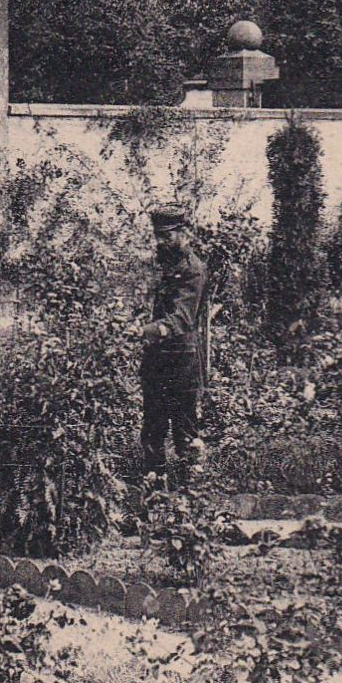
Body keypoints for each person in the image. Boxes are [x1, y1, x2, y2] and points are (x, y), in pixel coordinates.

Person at [138, 204, 210, 481]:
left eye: (167, 235)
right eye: (158, 235)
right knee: (153, 423)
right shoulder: (165, 266)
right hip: (157, 358)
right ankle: (153, 481)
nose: (161, 242)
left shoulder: (193, 270)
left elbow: (181, 319)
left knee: (185, 426)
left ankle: (191, 489)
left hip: (181, 358)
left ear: (185, 233)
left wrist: (143, 331)